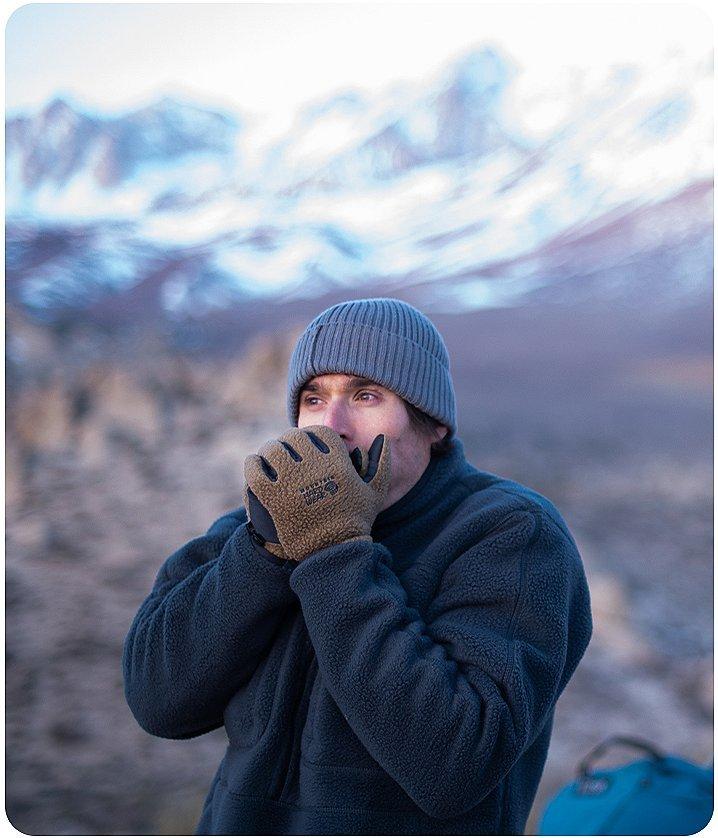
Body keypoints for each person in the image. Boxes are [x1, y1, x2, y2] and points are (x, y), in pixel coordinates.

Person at [123, 297, 593, 835]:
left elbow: (455, 764)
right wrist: (262, 554)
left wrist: (334, 553)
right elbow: (157, 700)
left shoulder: (510, 534)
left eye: (366, 395)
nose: (333, 426)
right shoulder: (263, 526)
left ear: (432, 421)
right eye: (314, 399)